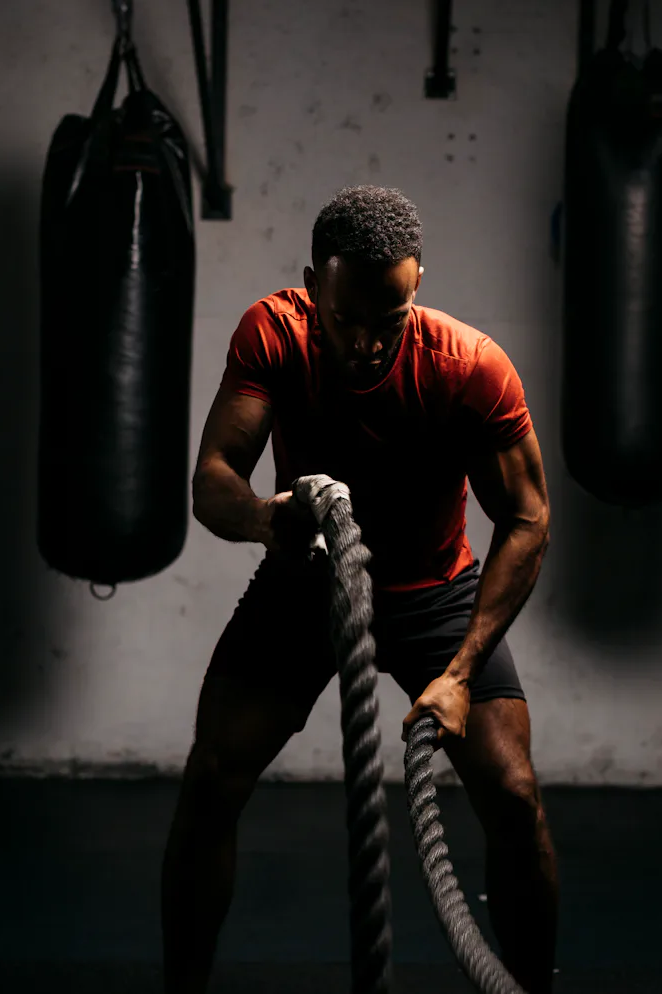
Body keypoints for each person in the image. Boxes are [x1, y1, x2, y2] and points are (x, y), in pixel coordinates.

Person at [161, 185, 558, 993]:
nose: (370, 343)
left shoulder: (470, 366)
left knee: (514, 795)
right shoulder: (275, 332)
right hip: (303, 578)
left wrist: (458, 671)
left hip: (435, 595)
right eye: (349, 321)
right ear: (314, 286)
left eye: (391, 320)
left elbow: (528, 519)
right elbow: (213, 480)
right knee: (211, 780)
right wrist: (264, 519)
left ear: (417, 288)